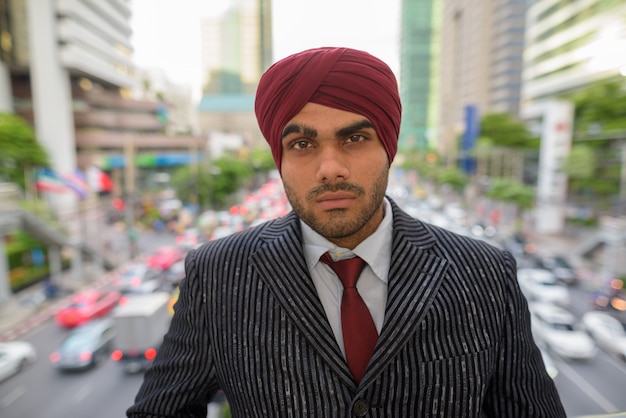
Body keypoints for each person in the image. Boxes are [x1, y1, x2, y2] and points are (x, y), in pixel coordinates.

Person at [127, 47, 566, 418]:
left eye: (354, 139)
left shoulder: (483, 274)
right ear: (279, 160)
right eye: (302, 144)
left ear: (388, 149)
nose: (330, 168)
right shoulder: (218, 275)